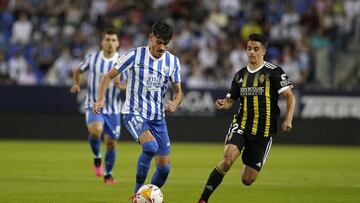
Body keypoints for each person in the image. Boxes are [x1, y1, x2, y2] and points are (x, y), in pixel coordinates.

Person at [197, 33, 296, 203]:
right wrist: (223, 103)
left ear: (263, 51)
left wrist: (288, 119)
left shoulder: (274, 72)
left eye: (256, 49)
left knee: (247, 180)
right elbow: (230, 100)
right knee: (227, 160)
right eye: (249, 48)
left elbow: (290, 97)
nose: (251, 52)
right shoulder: (240, 75)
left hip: (263, 132)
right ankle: (202, 200)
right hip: (242, 125)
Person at [92, 21, 182, 201]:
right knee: (150, 146)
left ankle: (146, 197)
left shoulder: (172, 61)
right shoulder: (134, 55)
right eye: (159, 42)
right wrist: (101, 98)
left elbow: (179, 92)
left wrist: (175, 102)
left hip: (158, 118)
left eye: (166, 43)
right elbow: (108, 76)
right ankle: (137, 193)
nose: (162, 47)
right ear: (151, 38)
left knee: (164, 169)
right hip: (134, 113)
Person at [70, 29, 127, 185]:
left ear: (117, 43)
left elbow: (127, 85)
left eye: (113, 40)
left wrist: (120, 85)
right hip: (93, 103)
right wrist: (76, 83)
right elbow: (78, 70)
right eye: (107, 39)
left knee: (111, 143)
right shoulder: (92, 58)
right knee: (96, 130)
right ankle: (97, 157)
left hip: (113, 108)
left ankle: (108, 174)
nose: (110, 43)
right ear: (102, 42)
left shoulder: (122, 61)